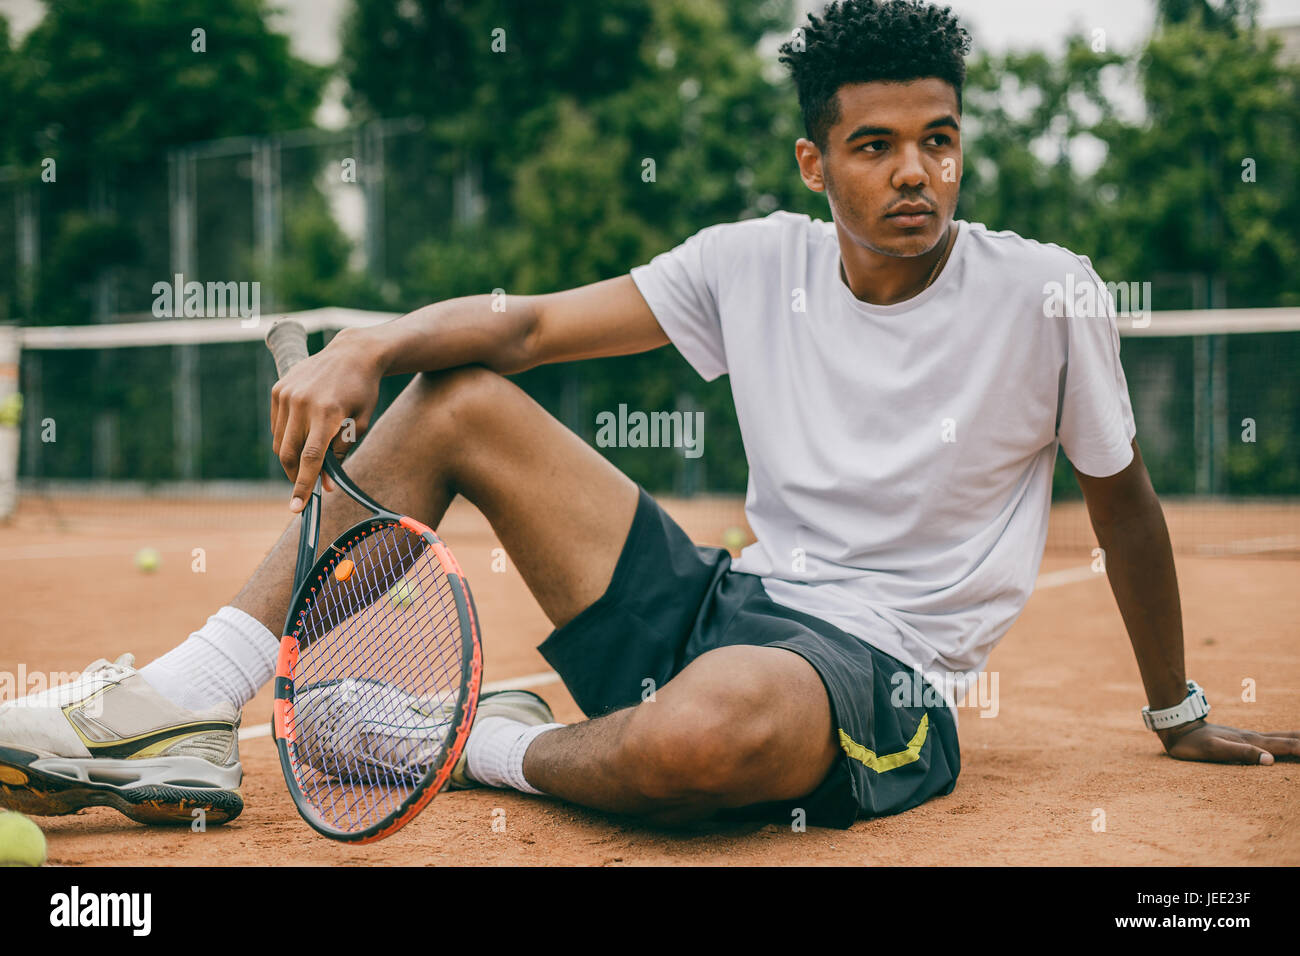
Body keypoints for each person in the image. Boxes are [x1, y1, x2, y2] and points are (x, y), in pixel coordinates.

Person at [2, 0, 1294, 831]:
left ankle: (469, 745)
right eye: (879, 144)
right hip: (725, 599)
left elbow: (1122, 507)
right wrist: (377, 340)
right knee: (457, 396)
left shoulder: (1052, 296)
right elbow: (522, 328)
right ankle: (188, 698)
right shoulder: (751, 263)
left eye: (941, 139)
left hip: (875, 667)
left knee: (708, 735)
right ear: (814, 161)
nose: (918, 170)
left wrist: (1177, 707)